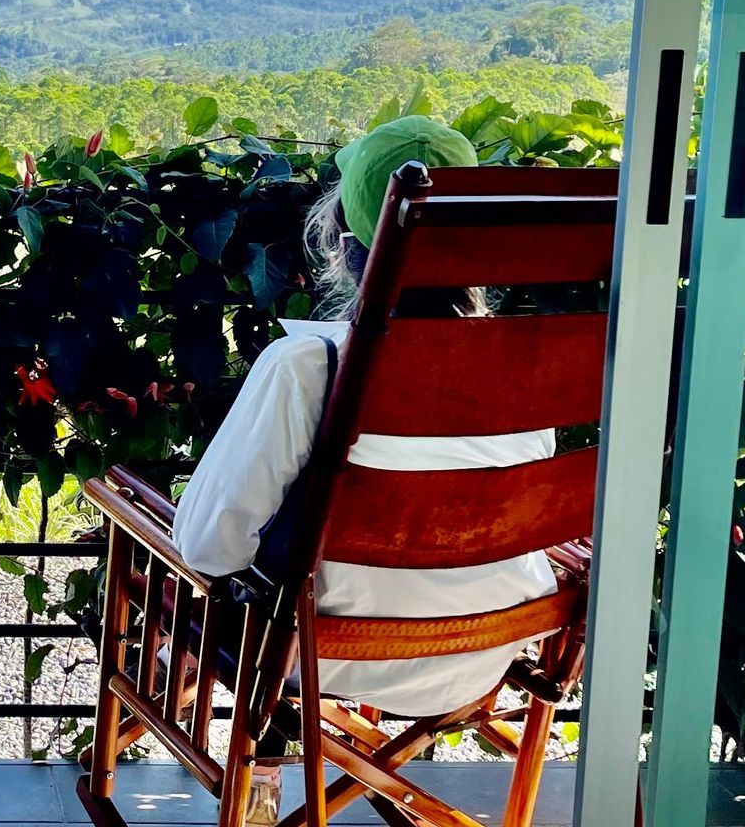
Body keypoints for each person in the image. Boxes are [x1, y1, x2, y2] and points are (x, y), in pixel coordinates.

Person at [173, 114, 557, 722]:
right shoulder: (528, 374)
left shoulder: (311, 364)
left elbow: (207, 546)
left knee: (181, 567)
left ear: (347, 243)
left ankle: (258, 772)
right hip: (485, 652)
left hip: (324, 655)